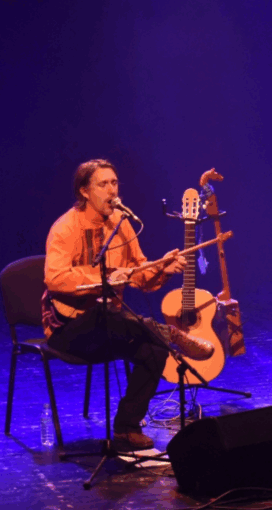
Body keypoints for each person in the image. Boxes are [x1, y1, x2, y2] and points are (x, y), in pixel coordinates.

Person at [42, 159, 214, 450]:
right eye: (103, 184)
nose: (112, 190)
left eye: (114, 182)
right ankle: (168, 332)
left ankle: (127, 427)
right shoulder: (65, 228)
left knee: (155, 350)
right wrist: (105, 278)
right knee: (103, 315)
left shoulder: (121, 224)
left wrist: (162, 268)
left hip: (112, 327)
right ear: (84, 191)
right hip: (69, 331)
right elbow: (55, 279)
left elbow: (139, 274)